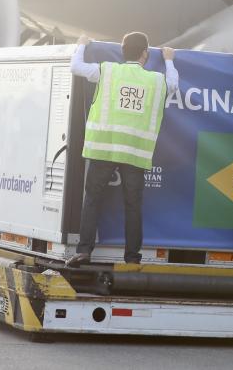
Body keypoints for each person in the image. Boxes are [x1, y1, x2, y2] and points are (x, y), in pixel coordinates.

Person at [66, 32, 178, 267]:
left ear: (122, 51)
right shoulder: (155, 80)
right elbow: (173, 85)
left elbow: (75, 67)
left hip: (103, 149)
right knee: (133, 205)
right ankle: (132, 258)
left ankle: (84, 251)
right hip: (134, 152)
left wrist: (81, 45)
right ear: (145, 54)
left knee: (92, 199)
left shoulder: (107, 71)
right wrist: (169, 59)